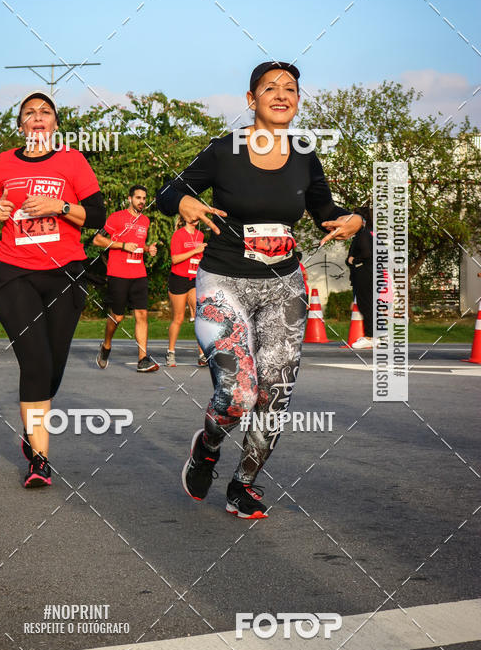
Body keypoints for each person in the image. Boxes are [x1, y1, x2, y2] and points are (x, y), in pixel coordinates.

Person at [157, 61, 365, 519]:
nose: (281, 94)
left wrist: (354, 219)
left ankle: (243, 484)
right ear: (251, 99)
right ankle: (207, 448)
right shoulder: (224, 149)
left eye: (290, 88)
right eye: (270, 87)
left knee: (275, 393)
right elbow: (168, 192)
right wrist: (185, 199)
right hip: (223, 281)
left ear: (298, 101)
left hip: (283, 285)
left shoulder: (305, 154)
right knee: (238, 395)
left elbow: (325, 209)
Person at [0, 92, 106, 488]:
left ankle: (30, 427)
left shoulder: (73, 161)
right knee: (36, 363)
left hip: (64, 274)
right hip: (13, 273)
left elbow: (98, 216)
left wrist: (60, 207)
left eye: (45, 112)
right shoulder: (3, 163)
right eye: (29, 113)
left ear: (55, 123)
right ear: (21, 125)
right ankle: (40, 460)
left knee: (52, 367)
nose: (37, 117)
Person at [93, 185, 159, 373]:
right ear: (130, 199)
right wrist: (122, 245)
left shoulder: (145, 221)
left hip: (139, 273)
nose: (142, 201)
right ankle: (106, 345)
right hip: (118, 273)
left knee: (142, 314)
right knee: (118, 316)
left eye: (144, 198)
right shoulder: (117, 217)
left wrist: (147, 249)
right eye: (138, 198)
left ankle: (142, 359)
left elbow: (137, 245)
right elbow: (97, 240)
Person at [166, 217, 208, 367]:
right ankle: (171, 353)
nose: (195, 218)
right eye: (192, 215)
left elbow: (200, 257)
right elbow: (175, 259)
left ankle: (202, 355)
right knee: (178, 318)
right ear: (185, 217)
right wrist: (195, 250)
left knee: (199, 316)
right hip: (178, 278)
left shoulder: (200, 235)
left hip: (194, 279)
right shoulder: (178, 234)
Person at [346, 206, 375, 349]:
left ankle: (370, 337)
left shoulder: (362, 234)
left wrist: (353, 260)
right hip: (368, 273)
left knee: (366, 305)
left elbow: (366, 253)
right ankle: (374, 335)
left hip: (364, 273)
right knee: (369, 305)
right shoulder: (369, 233)